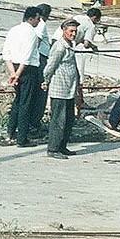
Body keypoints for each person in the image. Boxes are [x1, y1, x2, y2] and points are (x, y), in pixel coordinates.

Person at [4, 7, 43, 148]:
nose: (39, 21)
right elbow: (26, 58)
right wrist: (18, 75)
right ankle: (22, 138)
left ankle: (10, 132)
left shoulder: (13, 30)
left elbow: (6, 53)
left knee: (18, 101)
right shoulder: (31, 33)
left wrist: (12, 73)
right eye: (38, 18)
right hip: (27, 70)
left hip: (14, 67)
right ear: (31, 18)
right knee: (26, 104)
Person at [42, 19, 80, 159]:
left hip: (69, 90)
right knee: (58, 120)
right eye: (71, 31)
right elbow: (49, 67)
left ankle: (62, 146)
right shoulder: (59, 47)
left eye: (75, 31)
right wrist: (45, 81)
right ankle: (53, 149)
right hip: (60, 89)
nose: (73, 34)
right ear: (64, 30)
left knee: (69, 119)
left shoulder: (70, 45)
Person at [52, 7, 103, 82]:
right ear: (95, 18)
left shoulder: (78, 17)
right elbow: (86, 44)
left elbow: (79, 35)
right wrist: (92, 46)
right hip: (65, 46)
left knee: (53, 65)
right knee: (72, 73)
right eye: (98, 20)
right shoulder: (91, 26)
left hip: (55, 39)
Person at [32, 3, 53, 133]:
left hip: (37, 58)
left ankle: (33, 121)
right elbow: (38, 40)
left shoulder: (33, 24)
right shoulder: (41, 24)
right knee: (41, 91)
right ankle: (35, 122)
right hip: (41, 58)